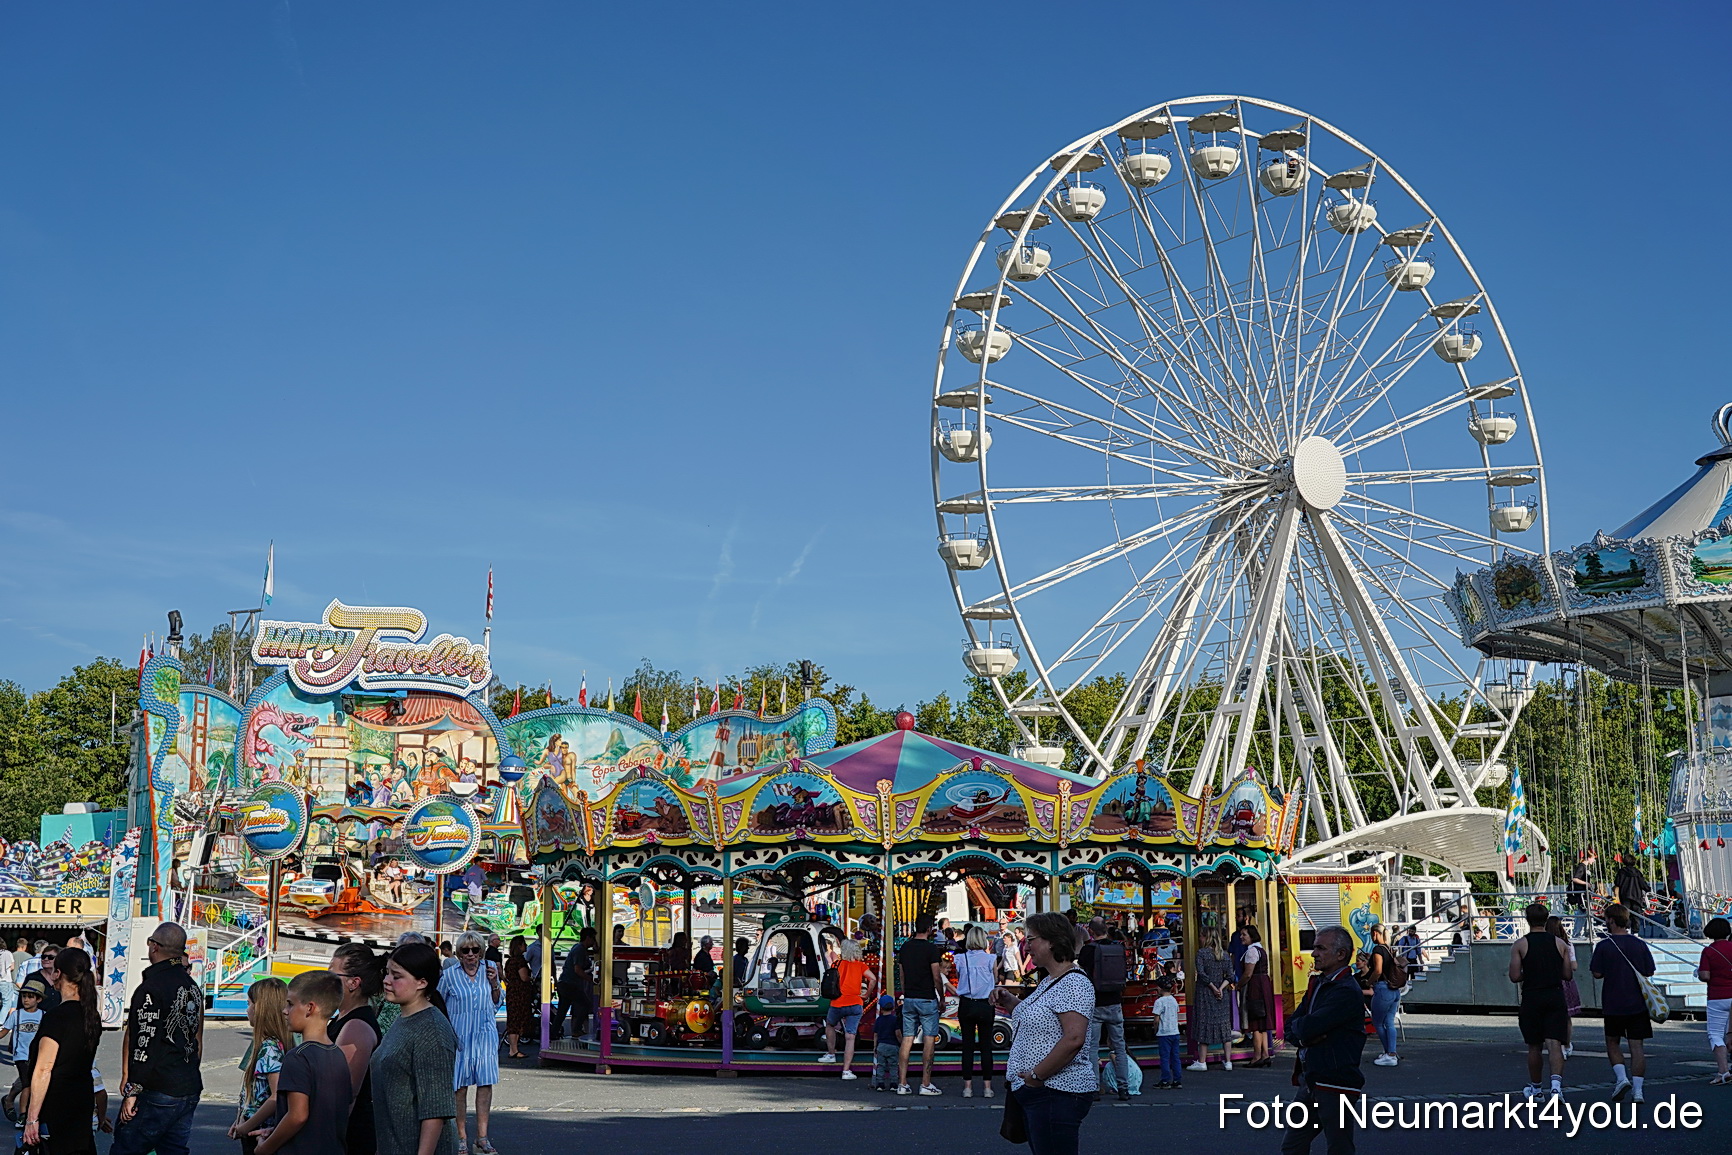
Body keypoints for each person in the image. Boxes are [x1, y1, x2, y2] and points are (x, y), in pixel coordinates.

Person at [1000, 911, 1096, 1155]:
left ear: (1052, 941)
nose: (1026, 947)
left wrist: (1036, 1077)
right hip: (1045, 1091)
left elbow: (1074, 1038)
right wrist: (1009, 1000)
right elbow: (1039, 1018)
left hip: (1056, 1091)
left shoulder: (1073, 982)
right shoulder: (1052, 980)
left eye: (1031, 940)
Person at [114, 923, 204, 1155]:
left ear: (154, 946)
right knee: (173, 1149)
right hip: (188, 1085)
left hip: (158, 1088)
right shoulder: (192, 987)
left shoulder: (151, 988)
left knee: (127, 1147)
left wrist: (132, 1091)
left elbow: (144, 1043)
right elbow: (197, 1040)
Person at [1280, 927, 1366, 1155]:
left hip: (1336, 1081)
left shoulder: (1346, 990)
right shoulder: (1319, 983)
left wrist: (1303, 1032)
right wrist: (1303, 1037)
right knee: (1292, 1145)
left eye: (1320, 948)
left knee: (1339, 1147)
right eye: (1314, 947)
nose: (1314, 953)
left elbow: (1308, 1026)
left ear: (1341, 954)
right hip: (1312, 1078)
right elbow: (1292, 1026)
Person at [252, 972, 353, 1155]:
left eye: (290, 1004)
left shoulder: (298, 1057)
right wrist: (276, 1130)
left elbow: (297, 1116)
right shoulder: (337, 1054)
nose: (284, 1010)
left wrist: (265, 1148)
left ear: (310, 1008)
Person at [372, 942, 459, 1155]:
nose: (386, 980)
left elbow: (436, 1108)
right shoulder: (404, 1018)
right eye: (387, 973)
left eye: (396, 976)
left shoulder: (432, 1030)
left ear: (421, 982)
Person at [22, 946, 99, 1155]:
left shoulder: (57, 1017)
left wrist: (32, 1118)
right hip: (82, 1097)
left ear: (58, 974)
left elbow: (44, 1069)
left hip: (56, 1102)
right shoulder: (91, 1015)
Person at [438, 931, 500, 1154]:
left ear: (481, 951)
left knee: (485, 1085)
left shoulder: (490, 969)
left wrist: (495, 983)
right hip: (460, 1038)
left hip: (485, 1035)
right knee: (460, 1088)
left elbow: (496, 1002)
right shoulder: (449, 975)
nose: (471, 954)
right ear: (459, 953)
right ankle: (461, 1137)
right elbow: (438, 1004)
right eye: (466, 950)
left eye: (476, 950)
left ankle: (482, 1137)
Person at [1590, 902, 1656, 1103]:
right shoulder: (1639, 944)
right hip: (1637, 1002)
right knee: (1637, 1047)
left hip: (1613, 1002)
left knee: (1612, 1042)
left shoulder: (1604, 945)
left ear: (1611, 920)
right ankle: (1638, 1091)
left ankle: (1621, 1078)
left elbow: (1597, 973)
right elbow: (1649, 971)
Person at [1509, 901, 1573, 1099]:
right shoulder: (1560, 944)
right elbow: (1567, 974)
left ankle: (1536, 1089)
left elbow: (1514, 976)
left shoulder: (1520, 944)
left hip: (1532, 996)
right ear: (1546, 919)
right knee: (1555, 1043)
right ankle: (1556, 1087)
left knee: (1534, 1045)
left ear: (1527, 920)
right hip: (1554, 994)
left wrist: (1529, 973)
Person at [328, 945, 383, 1155]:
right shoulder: (343, 1018)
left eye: (332, 975)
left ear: (354, 983)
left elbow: (345, 1094)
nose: (327, 981)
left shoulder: (356, 1026)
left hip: (350, 1138)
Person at [228, 978, 291, 1154]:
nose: (247, 1009)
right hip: (253, 1126)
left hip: (259, 1132)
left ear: (260, 1009)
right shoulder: (266, 1044)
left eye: (249, 1004)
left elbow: (276, 1096)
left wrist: (246, 1126)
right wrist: (240, 1119)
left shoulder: (270, 1048)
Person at [1078, 917, 1129, 1102]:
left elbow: (1081, 972)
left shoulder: (1087, 950)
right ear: (1106, 929)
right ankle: (1124, 1088)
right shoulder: (1118, 948)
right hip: (1115, 1002)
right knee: (1119, 1047)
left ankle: (1094, 1087)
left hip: (1095, 1003)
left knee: (1093, 1047)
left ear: (1091, 931)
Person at [895, 913, 946, 1096]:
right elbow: (936, 976)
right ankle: (925, 1083)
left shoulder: (905, 947)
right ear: (929, 928)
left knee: (907, 1038)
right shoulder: (931, 949)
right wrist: (941, 997)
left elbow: (901, 975)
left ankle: (902, 1083)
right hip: (927, 998)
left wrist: (905, 992)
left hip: (909, 997)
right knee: (929, 1039)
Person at [819, 938, 873, 1077]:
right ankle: (846, 1070)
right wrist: (867, 994)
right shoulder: (861, 965)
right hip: (855, 1003)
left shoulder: (836, 964)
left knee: (830, 1025)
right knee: (850, 1036)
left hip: (837, 1002)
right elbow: (873, 979)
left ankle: (831, 1054)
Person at [954, 924, 997, 1099]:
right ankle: (987, 1087)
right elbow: (995, 979)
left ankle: (967, 1087)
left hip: (967, 1003)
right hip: (985, 1003)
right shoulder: (991, 959)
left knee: (968, 1046)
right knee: (986, 1046)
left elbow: (959, 977)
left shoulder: (960, 958)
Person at [1187, 928, 1234, 1071]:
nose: (1199, 939)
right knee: (1224, 1025)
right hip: (1222, 994)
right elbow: (1230, 976)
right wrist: (1221, 988)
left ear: (1206, 937)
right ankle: (1228, 1061)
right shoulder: (1224, 955)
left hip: (1205, 993)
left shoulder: (1201, 953)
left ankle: (1202, 1061)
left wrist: (1213, 988)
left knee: (1204, 1023)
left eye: (1201, 936)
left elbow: (1201, 974)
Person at [1696, 916, 1732, 1085]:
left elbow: (1705, 975)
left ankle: (1723, 1071)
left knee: (1716, 1035)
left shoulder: (1709, 951)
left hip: (1717, 996)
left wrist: (1698, 973)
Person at [1, 985, 44, 1121]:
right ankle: (23, 1115)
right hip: (21, 1055)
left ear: (39, 999)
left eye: (30, 997)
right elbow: (4, 1032)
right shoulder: (16, 1015)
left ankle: (9, 1099)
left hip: (37, 1055)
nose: (26, 1000)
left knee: (29, 1080)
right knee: (27, 1084)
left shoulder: (43, 1015)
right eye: (24, 996)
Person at [1363, 925, 1402, 1068]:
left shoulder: (1378, 949)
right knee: (1389, 1022)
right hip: (1394, 990)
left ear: (1375, 933)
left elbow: (1378, 970)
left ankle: (1389, 1054)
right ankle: (1391, 1052)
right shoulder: (1388, 949)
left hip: (1382, 989)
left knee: (1378, 1023)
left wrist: (1368, 982)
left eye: (1371, 934)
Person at [1237, 925, 1276, 1068]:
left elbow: (1248, 974)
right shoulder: (1261, 949)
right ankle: (1265, 1054)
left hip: (1256, 986)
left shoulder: (1252, 951)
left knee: (1255, 1022)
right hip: (1263, 984)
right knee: (1262, 1022)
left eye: (1244, 934)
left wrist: (1238, 985)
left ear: (1251, 936)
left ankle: (1257, 1056)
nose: (1241, 937)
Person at [551, 929, 595, 1041]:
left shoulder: (579, 948)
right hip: (570, 984)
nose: (594, 941)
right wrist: (590, 979)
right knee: (585, 1004)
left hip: (565, 983)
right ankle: (576, 1029)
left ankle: (553, 1033)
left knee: (562, 1010)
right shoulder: (579, 950)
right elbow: (577, 970)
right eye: (593, 939)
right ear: (588, 938)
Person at [503, 937, 536, 1059]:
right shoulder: (520, 961)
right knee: (518, 1019)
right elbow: (523, 977)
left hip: (512, 992)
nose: (526, 946)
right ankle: (514, 1049)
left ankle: (513, 1049)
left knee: (512, 1019)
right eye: (524, 944)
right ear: (519, 946)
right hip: (520, 993)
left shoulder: (509, 961)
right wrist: (531, 978)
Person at [1151, 978, 1182, 1089]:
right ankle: (1177, 1080)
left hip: (1164, 1033)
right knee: (1175, 1057)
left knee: (1164, 1058)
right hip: (1175, 1032)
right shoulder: (1174, 1000)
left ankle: (1165, 1080)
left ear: (1160, 988)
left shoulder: (1159, 1002)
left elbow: (1156, 1020)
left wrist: (1155, 1030)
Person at [870, 995, 902, 1091]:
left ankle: (880, 1084)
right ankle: (893, 1084)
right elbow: (898, 1033)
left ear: (881, 1008)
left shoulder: (878, 1020)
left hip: (881, 1045)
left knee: (881, 1065)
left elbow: (875, 1035)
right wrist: (901, 1043)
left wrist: (875, 1046)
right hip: (893, 1045)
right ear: (893, 1007)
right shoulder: (894, 1019)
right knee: (893, 1066)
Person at [1568, 853, 1596, 937]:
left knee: (1587, 912)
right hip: (1581, 895)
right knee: (1582, 912)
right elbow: (1575, 879)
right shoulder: (1581, 867)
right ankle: (1577, 933)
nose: (1594, 860)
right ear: (1588, 858)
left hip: (1585, 894)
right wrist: (1586, 883)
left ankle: (1588, 932)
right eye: (1593, 858)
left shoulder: (1585, 867)